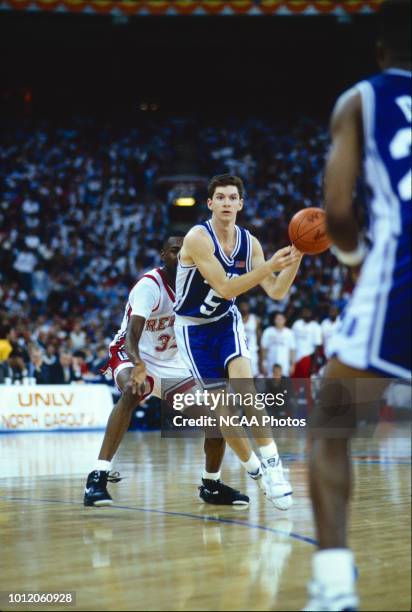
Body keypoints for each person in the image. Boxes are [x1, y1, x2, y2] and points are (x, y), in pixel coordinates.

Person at [305, 2, 411, 610]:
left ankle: (335, 586)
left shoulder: (361, 100)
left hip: (403, 270)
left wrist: (353, 259)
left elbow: (339, 213)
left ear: (380, 52)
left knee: (331, 422)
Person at [84, 236, 249, 507]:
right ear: (164, 255)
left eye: (186, 251)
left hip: (174, 364)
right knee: (133, 389)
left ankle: (211, 485)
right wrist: (138, 366)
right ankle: (97, 476)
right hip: (134, 354)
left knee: (218, 421)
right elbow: (131, 337)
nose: (181, 254)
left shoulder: (199, 289)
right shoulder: (150, 285)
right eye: (175, 250)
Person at [174, 174, 303, 510]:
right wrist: (271, 265)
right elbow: (227, 288)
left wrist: (298, 255)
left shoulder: (251, 243)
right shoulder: (197, 238)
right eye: (221, 197)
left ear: (241, 204)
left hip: (226, 323)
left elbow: (276, 291)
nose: (227, 203)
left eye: (233, 197)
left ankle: (274, 469)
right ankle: (255, 471)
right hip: (193, 330)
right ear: (210, 203)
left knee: (247, 390)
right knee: (224, 412)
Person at [260, 312, 296, 377]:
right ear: (274, 320)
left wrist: (292, 365)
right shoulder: (268, 331)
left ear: (285, 320)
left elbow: (292, 350)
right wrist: (263, 363)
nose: (279, 320)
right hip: (270, 363)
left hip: (284, 364)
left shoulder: (289, 333)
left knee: (284, 384)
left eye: (281, 319)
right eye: (277, 319)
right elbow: (264, 349)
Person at [238, 299, 262, 376]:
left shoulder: (255, 319)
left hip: (252, 350)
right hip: (240, 350)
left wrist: (260, 352)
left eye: (245, 306)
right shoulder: (236, 318)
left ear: (248, 307)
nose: (244, 308)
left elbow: (259, 337)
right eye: (242, 306)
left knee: (254, 373)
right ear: (239, 307)